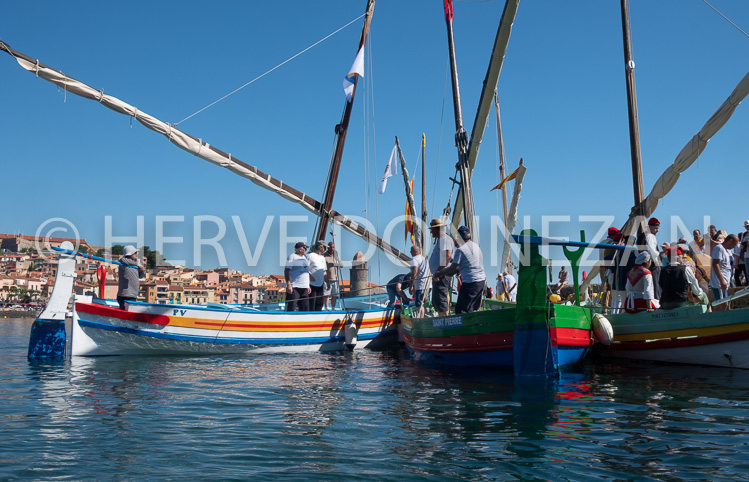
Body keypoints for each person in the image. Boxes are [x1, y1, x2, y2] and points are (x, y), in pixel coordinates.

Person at [434, 226, 486, 314]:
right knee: (469, 308)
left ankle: (465, 327)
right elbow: (465, 266)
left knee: (461, 310)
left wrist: (439, 273)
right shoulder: (476, 246)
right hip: (481, 282)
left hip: (470, 283)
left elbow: (452, 268)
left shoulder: (461, 250)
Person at [428, 218, 454, 316]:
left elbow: (448, 256)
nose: (431, 232)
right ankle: (444, 317)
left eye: (432, 230)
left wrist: (438, 272)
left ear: (437, 229)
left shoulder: (444, 240)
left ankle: (444, 320)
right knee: (442, 296)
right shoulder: (442, 240)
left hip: (442, 274)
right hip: (442, 273)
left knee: (440, 298)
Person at [710, 233, 738, 301]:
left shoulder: (727, 251)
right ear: (730, 241)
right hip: (719, 283)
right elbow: (715, 264)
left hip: (725, 282)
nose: (734, 247)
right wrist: (722, 280)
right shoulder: (719, 248)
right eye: (734, 244)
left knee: (725, 303)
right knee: (722, 303)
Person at [117, 245, 145, 310]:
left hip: (132, 295)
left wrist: (143, 266)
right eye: (135, 252)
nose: (137, 254)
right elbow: (123, 260)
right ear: (130, 254)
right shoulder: (124, 263)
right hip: (126, 295)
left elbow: (141, 276)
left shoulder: (133, 265)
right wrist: (138, 264)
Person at [285, 241, 311, 312]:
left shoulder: (305, 258)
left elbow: (306, 272)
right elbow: (286, 271)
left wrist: (308, 285)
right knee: (291, 308)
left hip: (304, 287)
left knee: (305, 309)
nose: (306, 250)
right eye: (305, 248)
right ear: (300, 249)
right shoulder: (292, 256)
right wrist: (289, 285)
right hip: (295, 287)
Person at [408, 245, 429, 317]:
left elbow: (415, 272)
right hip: (428, 285)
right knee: (425, 302)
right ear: (419, 251)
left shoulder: (414, 259)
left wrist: (411, 285)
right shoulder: (425, 259)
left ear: (411, 252)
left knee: (419, 304)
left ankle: (421, 320)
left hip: (420, 285)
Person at [644, 217, 662, 300]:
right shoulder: (650, 236)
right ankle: (656, 302)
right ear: (650, 227)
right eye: (655, 228)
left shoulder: (644, 236)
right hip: (652, 264)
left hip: (647, 263)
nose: (657, 230)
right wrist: (659, 256)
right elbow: (652, 250)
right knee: (655, 285)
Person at [307, 241, 327, 311]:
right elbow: (305, 268)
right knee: (312, 302)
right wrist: (310, 276)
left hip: (320, 284)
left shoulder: (322, 258)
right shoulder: (311, 255)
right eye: (324, 247)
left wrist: (327, 282)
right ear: (320, 247)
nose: (325, 249)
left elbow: (324, 271)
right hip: (312, 284)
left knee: (320, 303)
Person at [323, 241, 342, 311]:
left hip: (335, 279)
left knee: (334, 295)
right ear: (328, 248)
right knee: (327, 295)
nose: (332, 248)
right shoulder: (324, 256)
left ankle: (333, 308)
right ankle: (327, 308)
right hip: (327, 279)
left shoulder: (336, 256)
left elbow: (342, 265)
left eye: (333, 247)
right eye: (330, 247)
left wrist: (337, 262)